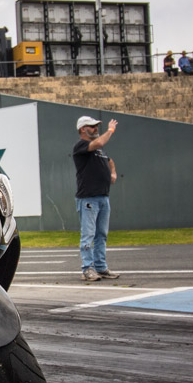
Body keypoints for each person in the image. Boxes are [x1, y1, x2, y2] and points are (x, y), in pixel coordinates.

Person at [73, 115, 120, 282]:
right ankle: (87, 268)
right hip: (88, 198)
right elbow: (99, 142)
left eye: (96, 126)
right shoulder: (81, 146)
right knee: (88, 234)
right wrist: (110, 130)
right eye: (92, 126)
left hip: (103, 197)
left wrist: (112, 172)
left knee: (101, 234)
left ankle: (101, 267)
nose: (95, 129)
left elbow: (110, 160)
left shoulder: (99, 151)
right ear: (82, 129)